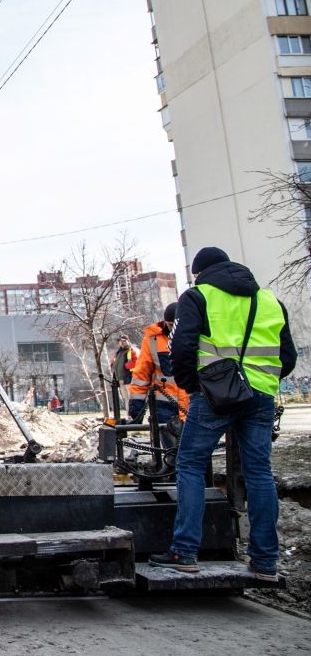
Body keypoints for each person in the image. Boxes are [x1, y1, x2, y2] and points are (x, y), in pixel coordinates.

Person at [149, 247, 297, 581]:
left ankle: (184, 551)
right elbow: (287, 358)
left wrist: (192, 386)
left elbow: (182, 349)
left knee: (189, 464)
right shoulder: (270, 301)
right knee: (259, 473)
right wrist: (259, 379)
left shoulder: (198, 296)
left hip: (213, 395)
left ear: (200, 272)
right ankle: (265, 561)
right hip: (260, 394)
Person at [127, 302, 189, 448]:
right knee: (170, 453)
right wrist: (136, 410)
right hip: (165, 406)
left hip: (192, 404)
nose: (174, 329)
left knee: (195, 455)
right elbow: (141, 375)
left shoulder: (195, 335)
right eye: (170, 325)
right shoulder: (153, 340)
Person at [111, 335, 137, 411]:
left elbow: (137, 362)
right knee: (126, 398)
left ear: (128, 341)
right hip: (120, 379)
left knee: (131, 397)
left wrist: (125, 366)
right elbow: (114, 363)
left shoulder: (132, 350)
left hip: (129, 378)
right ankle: (128, 415)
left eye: (124, 341)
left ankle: (133, 414)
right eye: (120, 341)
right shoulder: (118, 352)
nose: (122, 343)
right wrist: (113, 364)